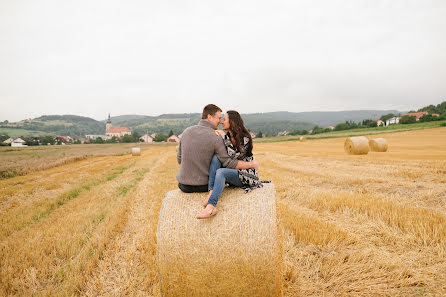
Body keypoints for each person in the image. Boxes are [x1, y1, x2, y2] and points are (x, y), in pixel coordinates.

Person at [176, 104, 258, 194]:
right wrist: (251, 164)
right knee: (216, 158)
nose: (220, 121)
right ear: (209, 117)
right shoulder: (216, 136)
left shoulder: (186, 131)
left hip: (183, 186)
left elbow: (179, 160)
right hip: (204, 186)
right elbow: (228, 163)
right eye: (219, 118)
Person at [197, 110, 263, 219]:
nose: (222, 122)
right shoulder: (226, 135)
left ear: (232, 122)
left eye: (225, 119)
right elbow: (223, 156)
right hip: (232, 172)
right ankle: (211, 191)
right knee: (215, 157)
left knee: (221, 172)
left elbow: (234, 157)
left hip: (245, 174)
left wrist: (224, 138)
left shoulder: (245, 137)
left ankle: (211, 206)